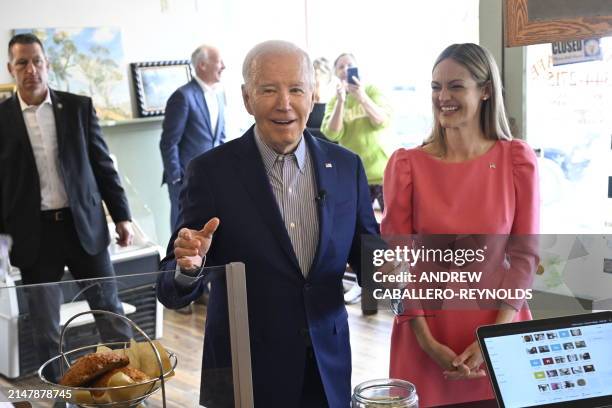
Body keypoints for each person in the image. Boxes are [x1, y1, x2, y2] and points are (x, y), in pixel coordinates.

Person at [156, 40, 379, 407]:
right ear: (247, 98)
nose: (284, 103)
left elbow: (369, 257)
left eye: (295, 89)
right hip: (245, 373)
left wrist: (396, 273)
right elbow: (171, 286)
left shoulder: (345, 167)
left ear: (312, 95)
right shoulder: (211, 173)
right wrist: (188, 267)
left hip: (326, 369)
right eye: (268, 90)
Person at [381, 43, 539, 407]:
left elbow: (524, 257)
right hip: (421, 332)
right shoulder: (406, 166)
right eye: (436, 87)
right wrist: (425, 340)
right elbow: (395, 266)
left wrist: (492, 338)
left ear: (485, 91)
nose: (443, 97)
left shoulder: (517, 160)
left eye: (456, 86)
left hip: (499, 328)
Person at [0, 34, 134, 382]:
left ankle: (132, 390)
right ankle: (62, 400)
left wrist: (122, 216)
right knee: (45, 330)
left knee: (111, 316)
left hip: (83, 229)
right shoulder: (1, 118)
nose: (31, 70)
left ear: (47, 63)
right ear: (10, 69)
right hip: (34, 237)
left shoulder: (78, 107)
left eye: (36, 61)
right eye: (22, 63)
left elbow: (103, 166)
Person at [321, 53, 392, 306]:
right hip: (352, 177)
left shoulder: (372, 90)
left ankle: (392, 285)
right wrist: (341, 100)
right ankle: (366, 288)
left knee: (391, 231)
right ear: (336, 73)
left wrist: (360, 95)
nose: (346, 69)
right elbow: (331, 132)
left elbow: (381, 121)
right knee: (356, 233)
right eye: (340, 66)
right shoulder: (334, 100)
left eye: (350, 65)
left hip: (382, 172)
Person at [160, 44, 226, 232]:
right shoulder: (182, 96)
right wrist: (176, 178)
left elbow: (220, 139)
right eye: (219, 62)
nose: (224, 66)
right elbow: (168, 142)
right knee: (183, 233)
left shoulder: (219, 95)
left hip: (215, 178)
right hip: (186, 180)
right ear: (203, 65)